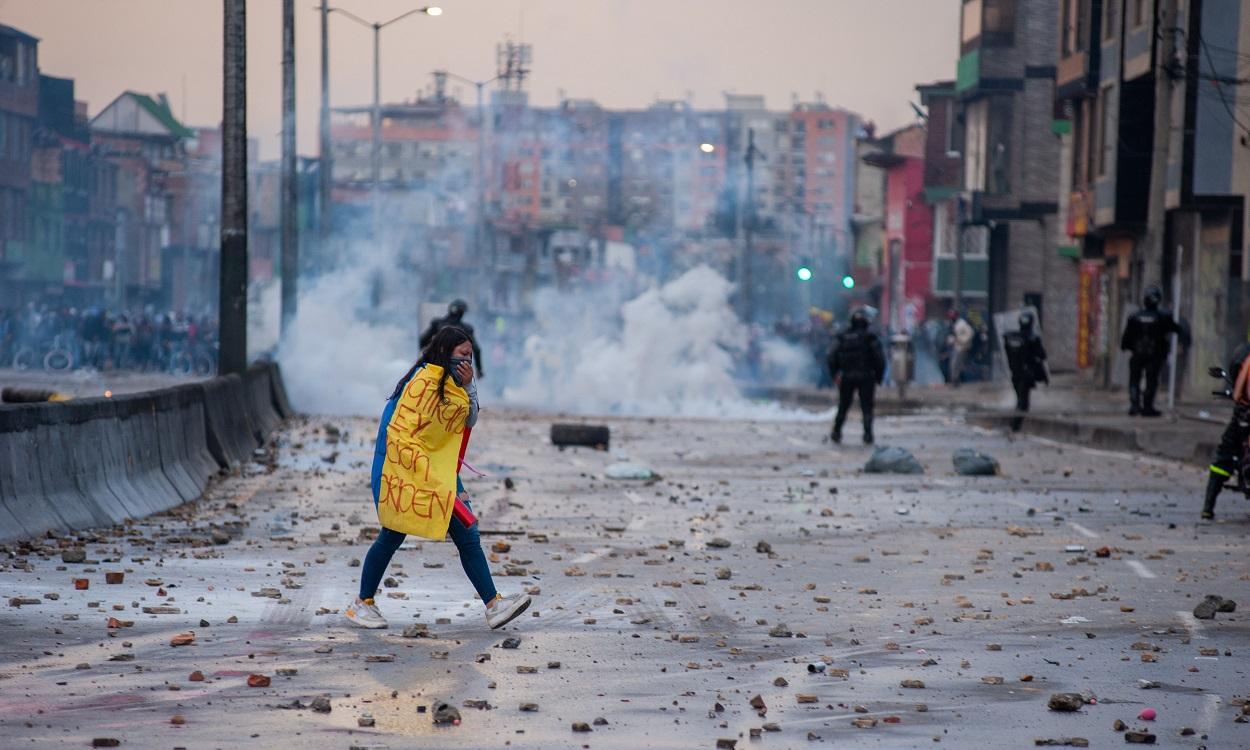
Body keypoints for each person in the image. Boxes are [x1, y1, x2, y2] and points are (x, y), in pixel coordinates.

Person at [345, 326, 530, 630]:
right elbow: (400, 431)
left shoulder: (454, 385)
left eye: (471, 356)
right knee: (393, 532)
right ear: (445, 353)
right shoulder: (422, 382)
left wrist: (470, 387)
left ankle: (494, 605)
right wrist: (419, 471)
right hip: (403, 469)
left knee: (466, 534)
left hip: (437, 470)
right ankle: (362, 603)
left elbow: (468, 419)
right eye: (463, 355)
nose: (468, 362)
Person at [1120, 285, 1185, 416]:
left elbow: (1126, 337)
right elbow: (1177, 329)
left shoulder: (1134, 317)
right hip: (1155, 356)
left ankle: (1135, 406)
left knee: (1134, 380)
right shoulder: (1162, 317)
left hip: (1137, 354)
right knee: (1151, 381)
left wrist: (1126, 346)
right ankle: (1147, 407)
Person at [1202, 342, 1250, 520]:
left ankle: (1208, 506)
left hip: (1244, 414)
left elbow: (1237, 395)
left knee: (1224, 456)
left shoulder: (1248, 361)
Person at [828, 308, 886, 445]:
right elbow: (880, 359)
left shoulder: (843, 336)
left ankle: (836, 432)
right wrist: (879, 377)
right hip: (866, 377)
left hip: (847, 376)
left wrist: (835, 374)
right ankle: (868, 434)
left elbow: (831, 356)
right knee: (867, 407)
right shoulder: (870, 337)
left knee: (843, 406)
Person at [1002, 311, 1049, 431]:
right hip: (1026, 375)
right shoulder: (1032, 339)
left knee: (1020, 400)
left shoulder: (1010, 337)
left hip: (1015, 374)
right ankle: (1014, 426)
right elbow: (1042, 355)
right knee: (1023, 403)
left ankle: (1015, 426)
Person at [420, 299, 483, 378]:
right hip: (455, 370)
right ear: (462, 313)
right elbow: (477, 350)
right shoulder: (465, 329)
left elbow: (422, 342)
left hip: (433, 367)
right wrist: (479, 370)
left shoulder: (437, 324)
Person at [946, 309, 974, 387]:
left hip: (961, 347)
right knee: (953, 364)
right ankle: (955, 381)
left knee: (956, 364)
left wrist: (961, 340)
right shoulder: (952, 324)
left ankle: (956, 381)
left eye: (952, 316)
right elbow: (952, 335)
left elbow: (970, 333)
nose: (951, 318)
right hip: (955, 346)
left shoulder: (962, 323)